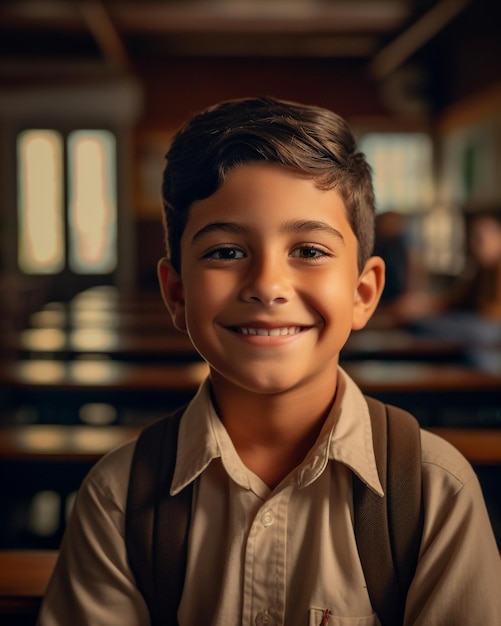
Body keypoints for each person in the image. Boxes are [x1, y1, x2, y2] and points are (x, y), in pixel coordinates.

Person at [37, 97, 501, 626]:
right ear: (177, 293)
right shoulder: (119, 497)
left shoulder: (431, 490)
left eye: (309, 250)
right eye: (226, 252)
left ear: (363, 292)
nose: (267, 286)